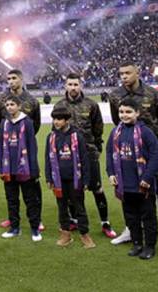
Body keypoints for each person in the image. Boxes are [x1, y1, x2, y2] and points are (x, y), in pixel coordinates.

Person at [109, 63, 158, 253]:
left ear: (137, 73)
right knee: (128, 190)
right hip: (127, 154)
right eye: (121, 73)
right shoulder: (115, 95)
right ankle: (130, 230)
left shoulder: (152, 94)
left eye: (127, 73)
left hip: (151, 153)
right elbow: (118, 123)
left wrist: (152, 144)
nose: (124, 76)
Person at [56, 73, 116, 238]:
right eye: (70, 84)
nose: (73, 87)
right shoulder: (60, 106)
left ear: (80, 85)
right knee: (72, 189)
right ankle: (74, 219)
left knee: (97, 188)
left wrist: (95, 149)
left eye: (76, 84)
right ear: (65, 86)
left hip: (88, 154)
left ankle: (105, 222)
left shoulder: (91, 105)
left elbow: (98, 128)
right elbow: (56, 131)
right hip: (67, 156)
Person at [106, 97, 158, 260]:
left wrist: (147, 177)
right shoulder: (116, 132)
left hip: (143, 184)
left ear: (137, 113)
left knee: (148, 216)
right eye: (121, 112)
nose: (124, 115)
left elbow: (155, 156)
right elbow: (110, 153)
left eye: (128, 112)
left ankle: (149, 246)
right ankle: (137, 243)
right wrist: (111, 173)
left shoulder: (146, 132)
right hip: (125, 184)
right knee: (131, 216)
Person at [0, 69, 42, 231]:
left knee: (32, 188)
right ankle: (13, 219)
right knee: (12, 190)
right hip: (9, 149)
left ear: (21, 79)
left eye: (14, 78)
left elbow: (35, 124)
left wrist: (23, 139)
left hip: (26, 149)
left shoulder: (32, 100)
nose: (10, 81)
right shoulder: (1, 99)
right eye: (8, 78)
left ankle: (37, 219)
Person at [46, 105, 95, 249]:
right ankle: (65, 233)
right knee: (62, 207)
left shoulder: (76, 136)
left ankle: (85, 234)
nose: (56, 122)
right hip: (58, 180)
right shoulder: (51, 137)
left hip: (75, 179)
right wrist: (49, 178)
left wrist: (86, 179)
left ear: (67, 120)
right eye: (54, 119)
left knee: (79, 207)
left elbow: (84, 159)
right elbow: (47, 159)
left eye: (59, 119)